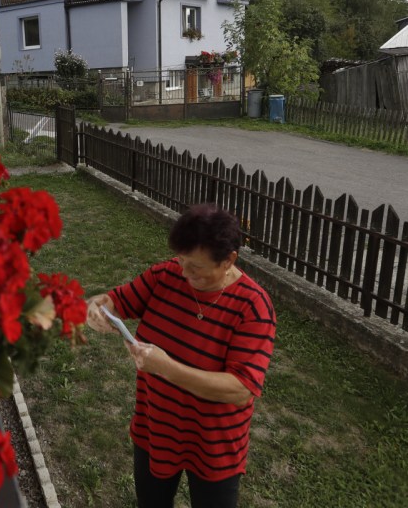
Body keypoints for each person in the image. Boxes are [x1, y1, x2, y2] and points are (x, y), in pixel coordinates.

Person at [86, 203, 276, 508]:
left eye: (197, 268)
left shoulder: (253, 307)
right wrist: (99, 306)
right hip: (156, 429)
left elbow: (240, 390)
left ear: (229, 260)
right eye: (182, 260)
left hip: (214, 446)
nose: (184, 273)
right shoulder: (166, 275)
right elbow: (118, 300)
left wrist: (166, 368)